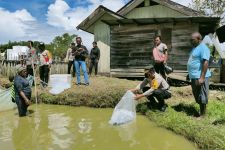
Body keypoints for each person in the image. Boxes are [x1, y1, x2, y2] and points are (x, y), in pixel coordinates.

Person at [187, 32, 211, 117]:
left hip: (200, 76)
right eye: (190, 40)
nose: (191, 41)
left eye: (192, 40)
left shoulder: (203, 48)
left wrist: (202, 77)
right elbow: (193, 62)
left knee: (202, 95)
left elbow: (205, 62)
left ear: (199, 39)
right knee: (197, 94)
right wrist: (188, 74)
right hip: (194, 76)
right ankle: (201, 112)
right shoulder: (195, 48)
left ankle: (203, 115)